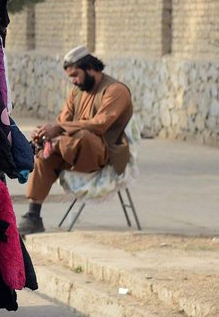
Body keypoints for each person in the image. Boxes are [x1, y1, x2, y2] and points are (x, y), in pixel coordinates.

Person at [16, 46, 134, 235]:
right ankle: (33, 215)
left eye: (76, 75)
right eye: (70, 77)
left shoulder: (115, 90)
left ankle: (52, 145)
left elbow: (100, 125)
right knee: (44, 155)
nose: (73, 81)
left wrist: (59, 130)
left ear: (90, 68)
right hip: (73, 152)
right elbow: (63, 121)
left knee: (80, 137)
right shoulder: (77, 93)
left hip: (104, 154)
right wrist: (47, 132)